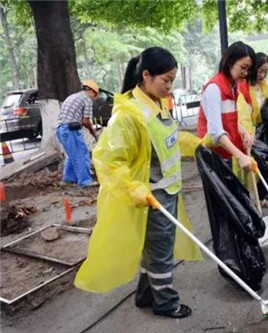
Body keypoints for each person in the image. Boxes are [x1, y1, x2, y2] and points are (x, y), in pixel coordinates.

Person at [75, 47, 207, 319]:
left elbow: (169, 140)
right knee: (160, 254)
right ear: (146, 75)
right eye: (166, 80)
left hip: (167, 192)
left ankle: (146, 294)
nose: (170, 87)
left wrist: (199, 144)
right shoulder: (128, 115)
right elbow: (109, 160)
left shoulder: (157, 104)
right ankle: (166, 303)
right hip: (151, 197)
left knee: (158, 250)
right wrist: (135, 189)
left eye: (172, 80)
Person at [197, 41, 255, 171]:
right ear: (230, 62)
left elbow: (228, 119)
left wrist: (243, 131)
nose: (246, 73)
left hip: (226, 154)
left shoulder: (233, 86)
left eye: (249, 69)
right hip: (214, 157)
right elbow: (215, 132)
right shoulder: (214, 89)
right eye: (243, 67)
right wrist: (240, 156)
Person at [237, 52, 268, 208]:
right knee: (256, 165)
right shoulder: (243, 88)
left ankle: (266, 195)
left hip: (266, 131)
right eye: (260, 70)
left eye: (266, 71)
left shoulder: (264, 86)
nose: (262, 75)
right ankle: (255, 197)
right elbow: (243, 113)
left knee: (267, 163)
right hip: (252, 132)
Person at [56, 80, 99, 187]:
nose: (94, 98)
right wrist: (94, 133)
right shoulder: (87, 99)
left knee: (72, 154)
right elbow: (85, 121)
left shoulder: (73, 96)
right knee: (81, 154)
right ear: (93, 91)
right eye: (95, 95)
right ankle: (85, 181)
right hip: (70, 129)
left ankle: (68, 179)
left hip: (60, 129)